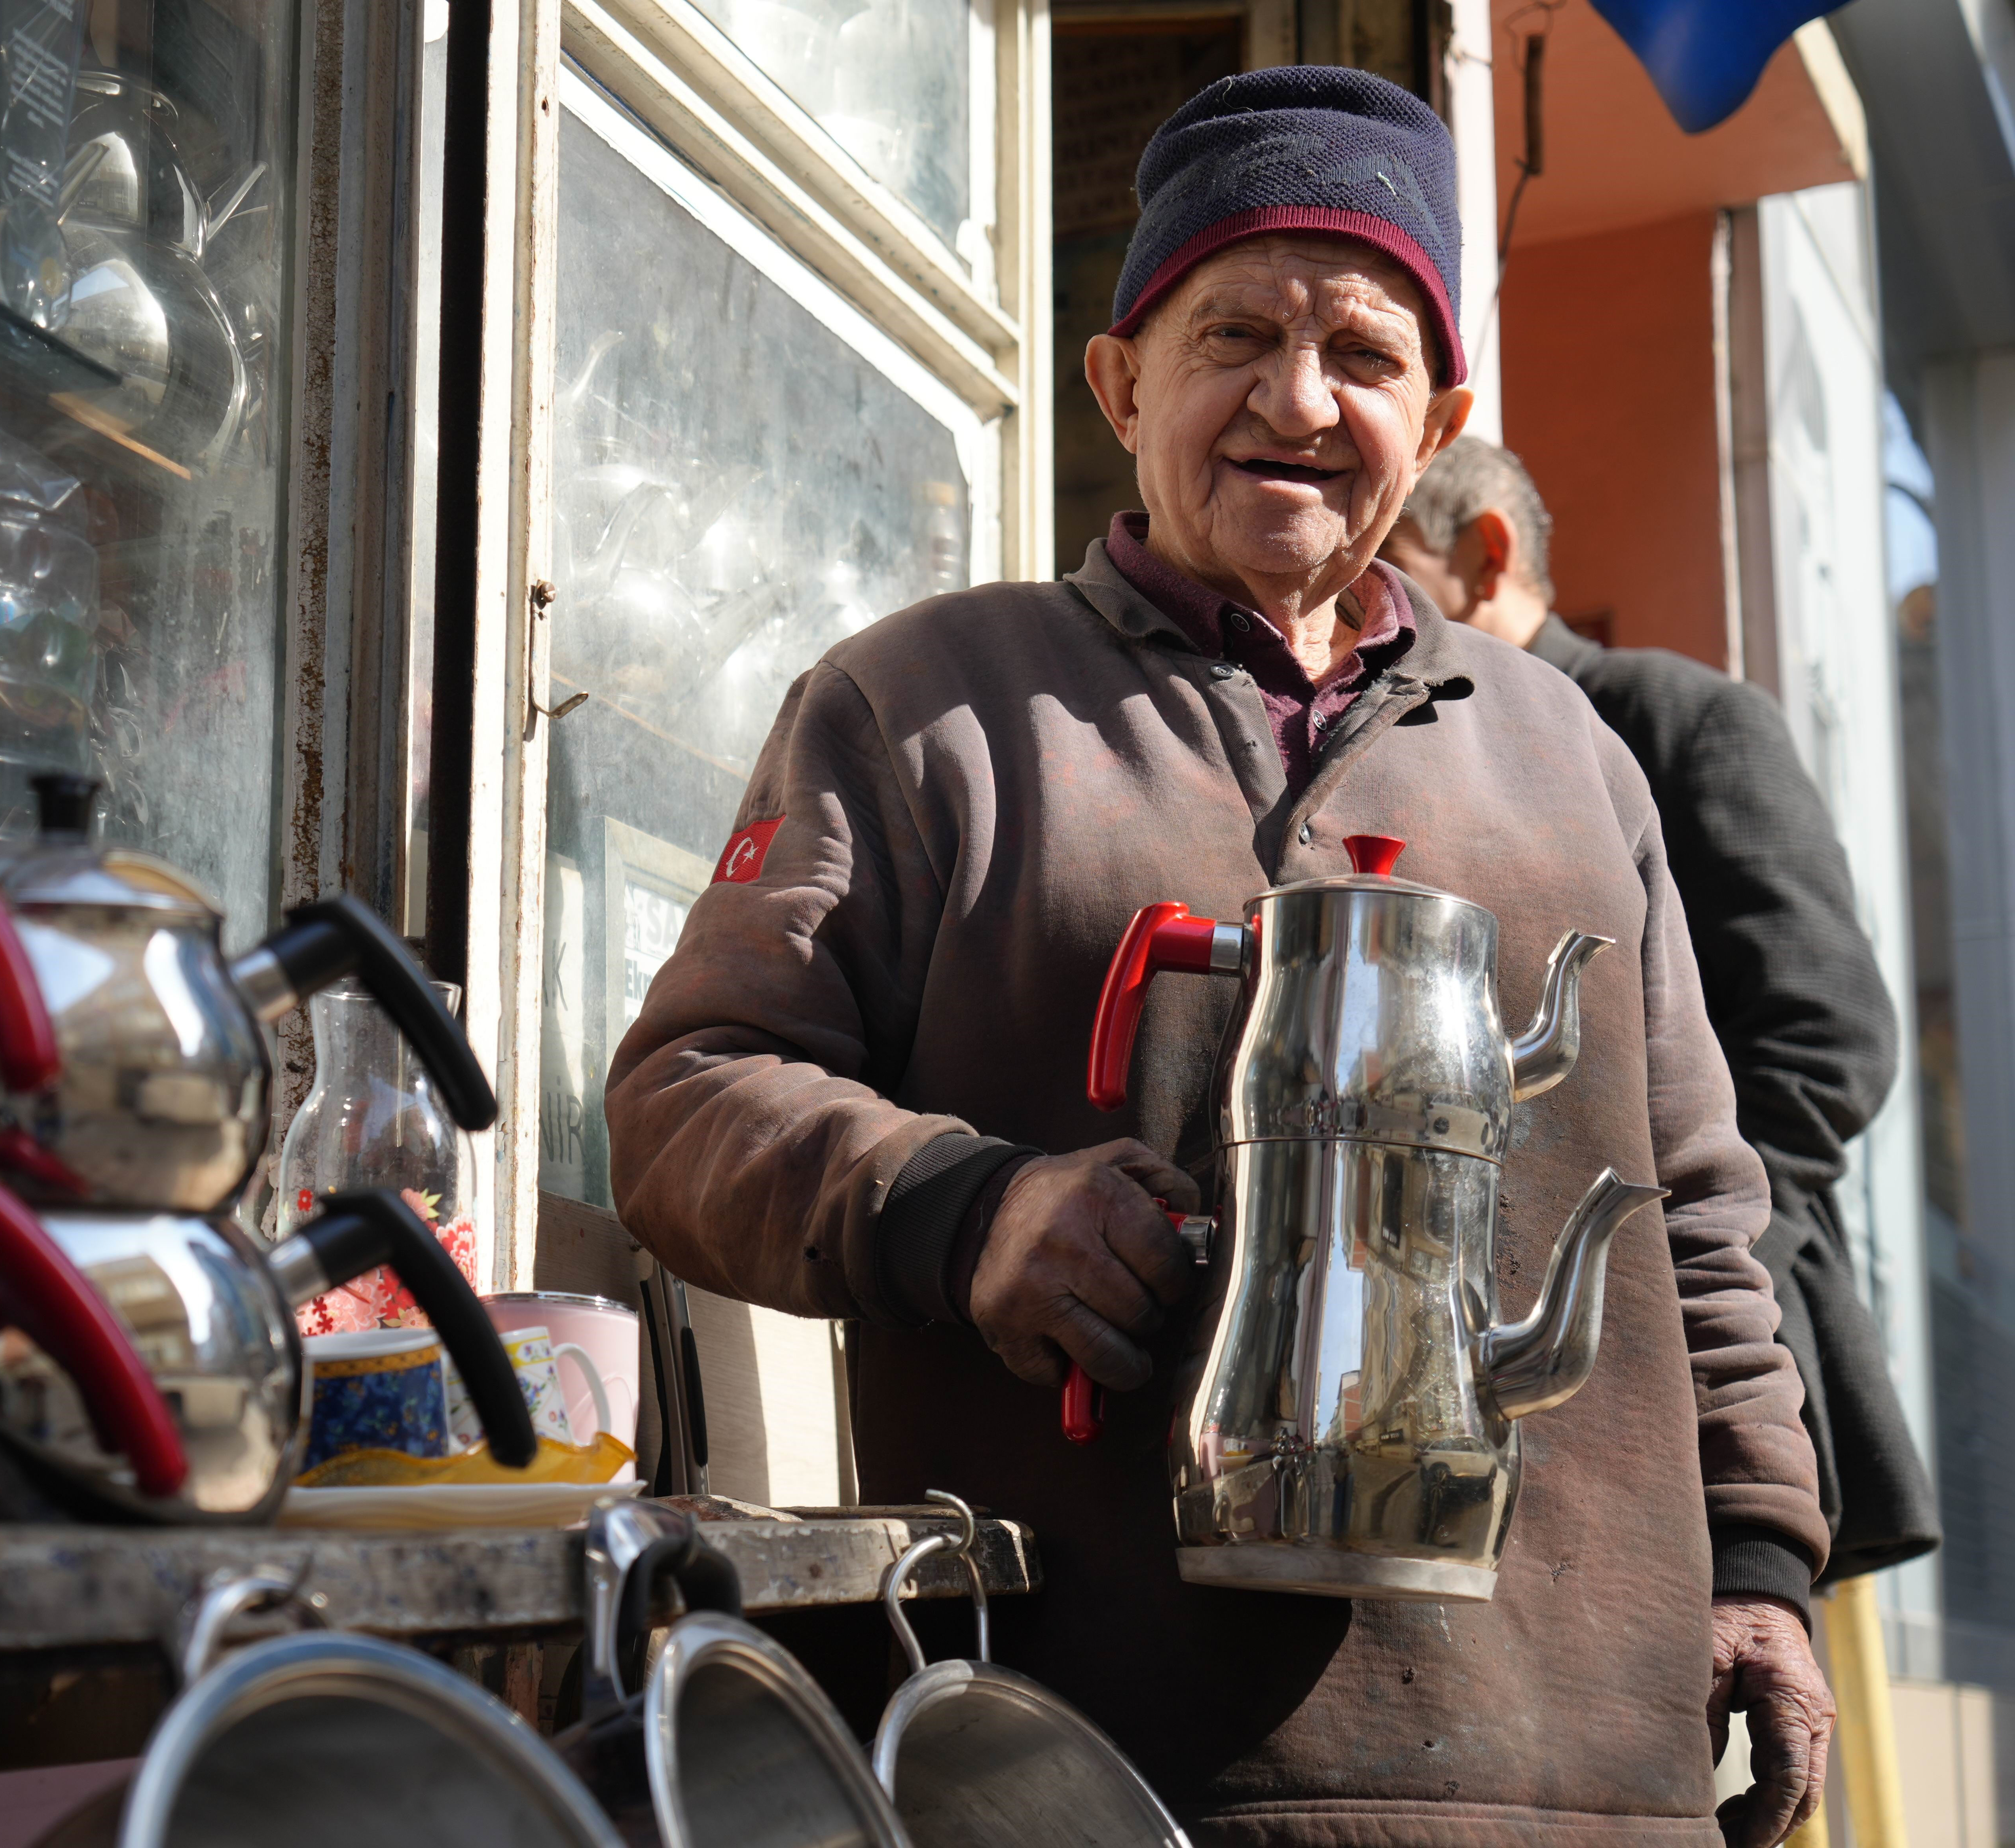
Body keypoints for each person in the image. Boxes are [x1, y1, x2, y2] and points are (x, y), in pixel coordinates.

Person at [605, 66, 1834, 1848]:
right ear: (1119, 383)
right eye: (1232, 333)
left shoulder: (1569, 754)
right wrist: (967, 1206)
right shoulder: (930, 708)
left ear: (1442, 414)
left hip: (1574, 1769)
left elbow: (1698, 1208)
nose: (1299, 399)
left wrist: (1765, 1564)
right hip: (1075, 1760)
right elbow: (685, 1095)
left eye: (1364, 352)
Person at [1383, 437, 1941, 1585]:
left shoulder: (1678, 717)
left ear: (1487, 555)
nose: (1364, 604)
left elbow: (1829, 1039)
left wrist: (1674, 1261)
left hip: (1704, 1368)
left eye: (1392, 562)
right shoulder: (1425, 748)